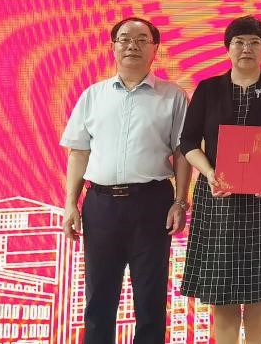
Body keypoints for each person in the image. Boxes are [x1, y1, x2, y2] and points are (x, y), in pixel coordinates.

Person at [60, 17, 191, 344]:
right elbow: (78, 152)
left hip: (152, 204)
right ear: (113, 46)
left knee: (150, 297)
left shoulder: (173, 96)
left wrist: (180, 201)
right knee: (98, 298)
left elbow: (183, 153)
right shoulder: (93, 96)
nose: (133, 45)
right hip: (100, 205)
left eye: (142, 39)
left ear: (155, 49)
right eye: (124, 39)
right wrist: (70, 204)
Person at [178, 15, 261, 344]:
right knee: (222, 290)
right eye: (239, 42)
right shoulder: (208, 89)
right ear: (228, 48)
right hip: (218, 196)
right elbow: (188, 142)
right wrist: (209, 173)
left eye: (254, 42)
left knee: (260, 288)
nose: (246, 48)